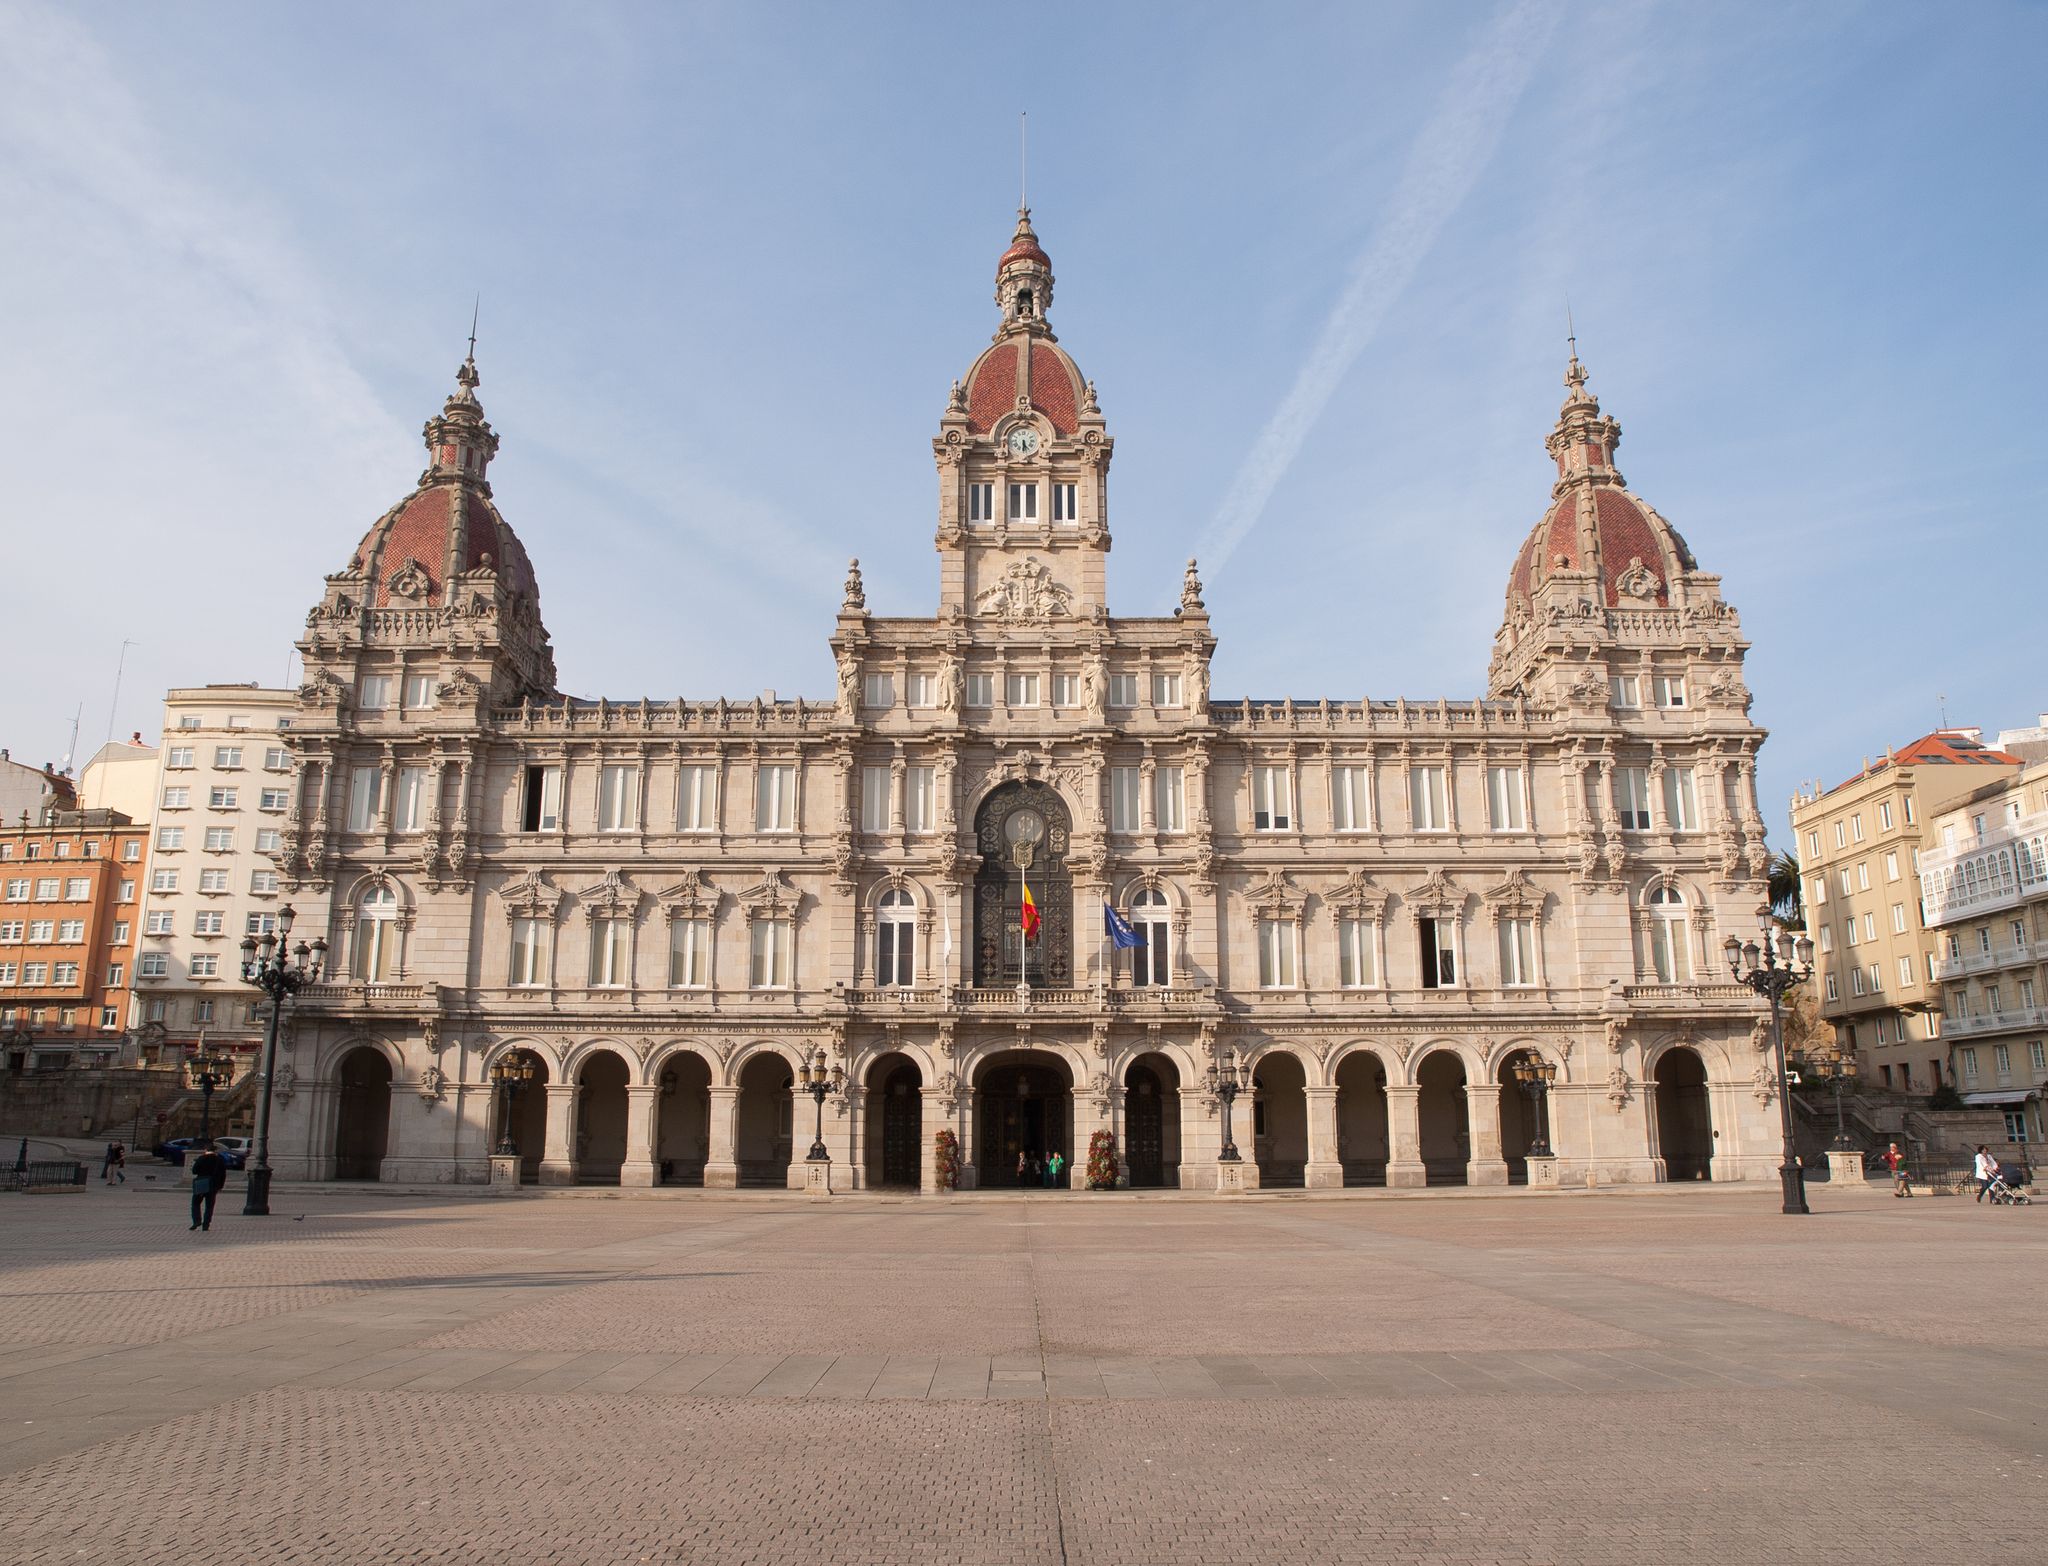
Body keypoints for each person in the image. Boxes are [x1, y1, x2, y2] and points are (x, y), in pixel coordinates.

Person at [189, 1141, 227, 1232]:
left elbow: (194, 1171)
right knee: (209, 1206)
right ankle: (206, 1225)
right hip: (213, 1184)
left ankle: (196, 1221)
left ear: (206, 1150)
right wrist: (220, 1185)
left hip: (201, 1183)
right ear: (215, 1151)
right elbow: (223, 1174)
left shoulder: (201, 1158)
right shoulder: (219, 1160)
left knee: (195, 1203)